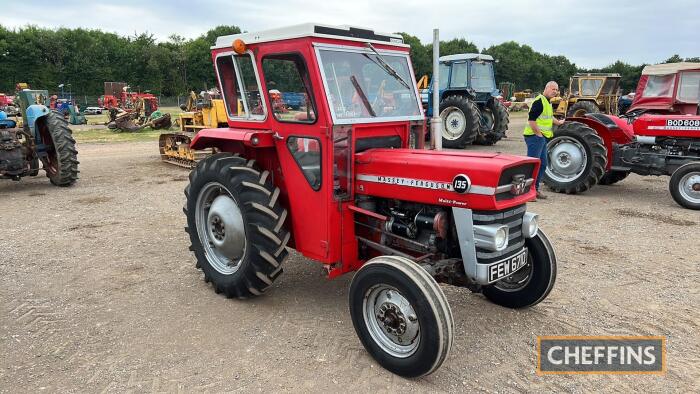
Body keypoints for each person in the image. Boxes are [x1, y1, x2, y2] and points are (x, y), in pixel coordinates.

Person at [523, 81, 564, 200]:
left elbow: (549, 117)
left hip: (541, 138)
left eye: (556, 90)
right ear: (546, 88)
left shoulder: (548, 102)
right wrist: (538, 135)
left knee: (543, 164)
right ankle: (527, 192)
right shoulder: (539, 101)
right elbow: (532, 120)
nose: (555, 91)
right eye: (553, 89)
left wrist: (559, 122)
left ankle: (534, 190)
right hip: (535, 137)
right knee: (533, 165)